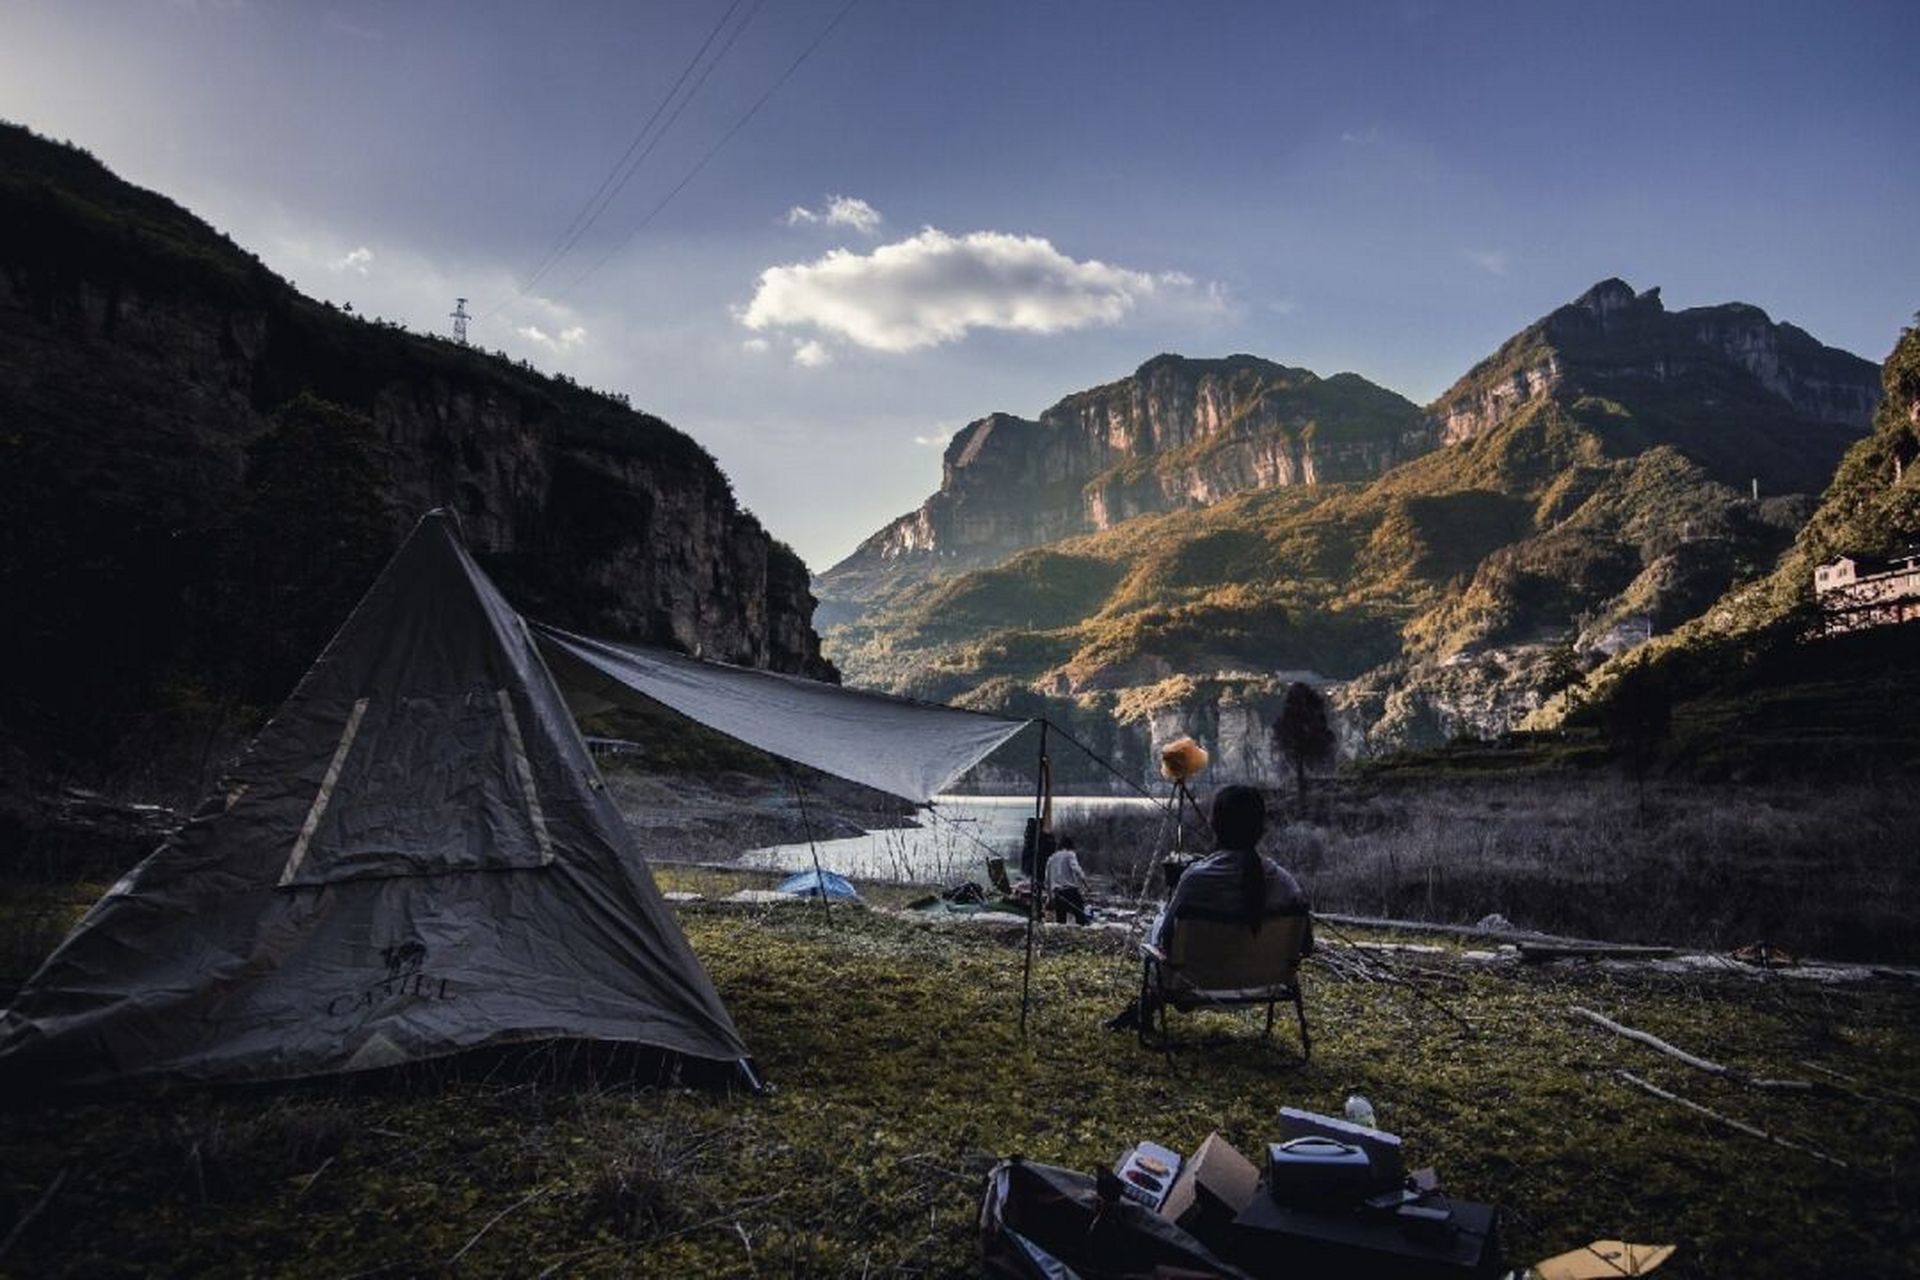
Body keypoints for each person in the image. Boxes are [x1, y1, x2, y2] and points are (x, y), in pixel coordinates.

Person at [1149, 785, 1312, 951]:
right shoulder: (1284, 882)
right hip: (1268, 976)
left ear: (1214, 826)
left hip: (1198, 976)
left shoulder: (1193, 880)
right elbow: (1305, 944)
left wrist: (1160, 919)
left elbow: (1166, 940)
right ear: (1261, 829)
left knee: (1154, 929)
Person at [1045, 836, 1092, 925]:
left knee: (1060, 921)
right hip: (1071, 891)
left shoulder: (1051, 859)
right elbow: (1076, 869)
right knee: (1081, 917)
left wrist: (1050, 897)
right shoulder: (1070, 854)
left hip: (1058, 893)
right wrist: (1086, 883)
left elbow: (1047, 880)